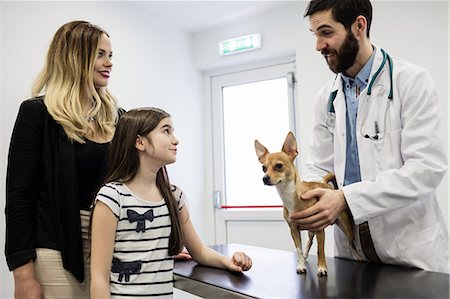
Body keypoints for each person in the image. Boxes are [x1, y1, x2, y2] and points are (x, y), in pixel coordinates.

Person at [290, 0, 448, 273]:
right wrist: (306, 200)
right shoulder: (326, 98)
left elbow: (426, 169)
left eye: (326, 33)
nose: (318, 46)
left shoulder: (410, 81)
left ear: (359, 26)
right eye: (315, 35)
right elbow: (319, 166)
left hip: (408, 250)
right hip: (351, 249)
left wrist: (346, 198)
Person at [5, 20, 118, 298]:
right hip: (56, 249)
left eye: (111, 55)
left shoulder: (119, 118)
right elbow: (19, 198)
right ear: (74, 57)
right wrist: (23, 274)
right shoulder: (38, 113)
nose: (109, 63)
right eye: (100, 54)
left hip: (112, 248)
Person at [90, 107, 252, 298]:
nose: (175, 140)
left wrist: (229, 262)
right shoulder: (111, 197)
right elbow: (99, 277)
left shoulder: (175, 197)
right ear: (140, 142)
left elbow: (198, 250)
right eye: (166, 131)